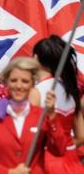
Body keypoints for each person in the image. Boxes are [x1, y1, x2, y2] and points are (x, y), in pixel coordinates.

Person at [0, 57, 67, 174]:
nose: (19, 86)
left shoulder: (41, 116)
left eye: (25, 81)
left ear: (32, 84)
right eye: (14, 80)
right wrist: (7, 172)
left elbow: (59, 150)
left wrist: (52, 116)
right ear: (6, 83)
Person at [30, 35, 84, 173]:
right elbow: (81, 136)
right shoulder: (71, 91)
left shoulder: (35, 92)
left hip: (42, 164)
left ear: (36, 58)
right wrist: (65, 146)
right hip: (71, 163)